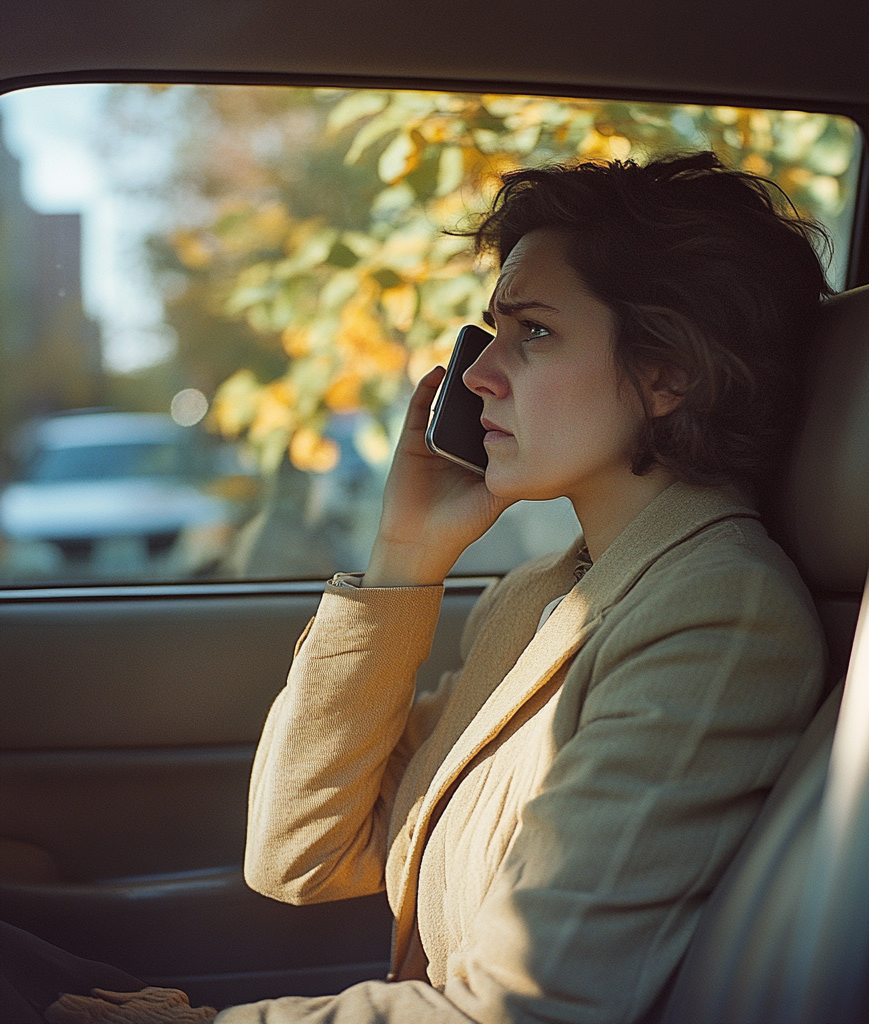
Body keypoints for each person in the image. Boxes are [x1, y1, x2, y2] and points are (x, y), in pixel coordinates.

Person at [33, 152, 829, 1024]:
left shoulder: (720, 618)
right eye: (492, 333)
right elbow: (298, 856)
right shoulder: (543, 597)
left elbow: (524, 1008)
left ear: (668, 373)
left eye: (536, 333)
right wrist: (404, 557)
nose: (478, 376)